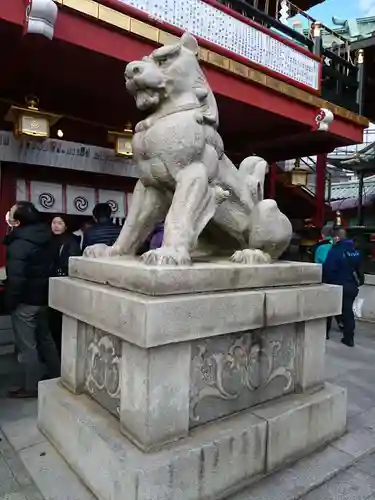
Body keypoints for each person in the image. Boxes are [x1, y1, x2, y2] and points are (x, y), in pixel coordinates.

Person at [3, 202, 60, 398]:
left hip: (26, 301)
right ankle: (57, 375)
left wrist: (8, 303)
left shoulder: (19, 244)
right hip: (44, 297)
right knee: (46, 340)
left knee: (27, 346)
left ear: (17, 221)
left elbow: (16, 280)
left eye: (11, 212)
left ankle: (31, 386)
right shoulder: (46, 236)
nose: (7, 213)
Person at [323, 228, 364, 347]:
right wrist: (358, 282)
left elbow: (328, 269)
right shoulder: (355, 252)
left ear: (336, 238)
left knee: (329, 311)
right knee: (348, 312)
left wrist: (326, 282)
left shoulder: (334, 251)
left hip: (335, 285)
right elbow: (360, 271)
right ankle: (349, 338)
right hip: (350, 286)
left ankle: (325, 334)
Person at [49, 214, 82, 355]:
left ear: (66, 226)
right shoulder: (49, 240)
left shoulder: (71, 242)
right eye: (54, 222)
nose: (56, 226)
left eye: (60, 223)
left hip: (62, 286)